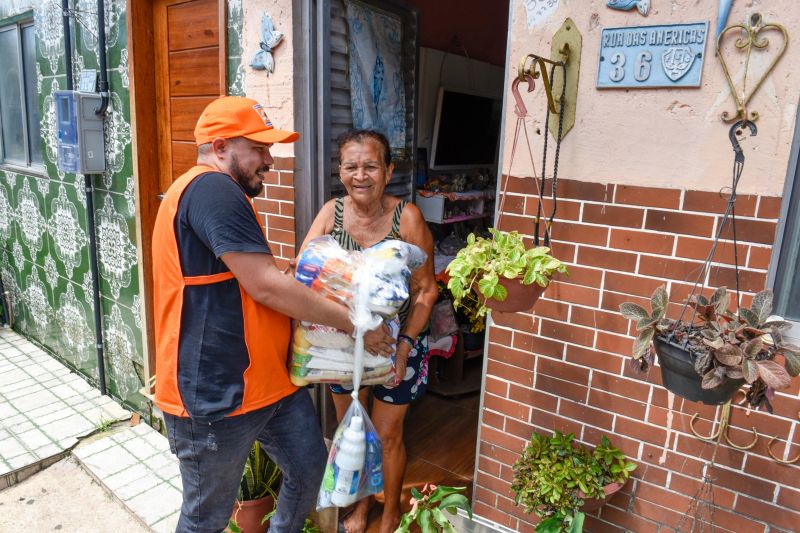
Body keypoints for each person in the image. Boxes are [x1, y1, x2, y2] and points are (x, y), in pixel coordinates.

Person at [151, 97, 394, 533]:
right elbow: (263, 284)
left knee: (309, 470)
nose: (270, 159)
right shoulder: (210, 188)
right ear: (221, 146)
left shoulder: (222, 194)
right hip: (217, 395)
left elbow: (250, 278)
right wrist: (357, 322)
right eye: (260, 148)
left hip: (269, 385)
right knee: (205, 517)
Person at [298, 130, 438, 533]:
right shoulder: (331, 213)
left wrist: (403, 347)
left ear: (388, 170)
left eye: (371, 166)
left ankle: (390, 510)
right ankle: (359, 507)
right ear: (341, 171)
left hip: (400, 343)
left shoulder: (406, 217)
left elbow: (426, 290)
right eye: (351, 166)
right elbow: (306, 275)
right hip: (342, 346)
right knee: (352, 430)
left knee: (388, 434)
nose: (361, 175)